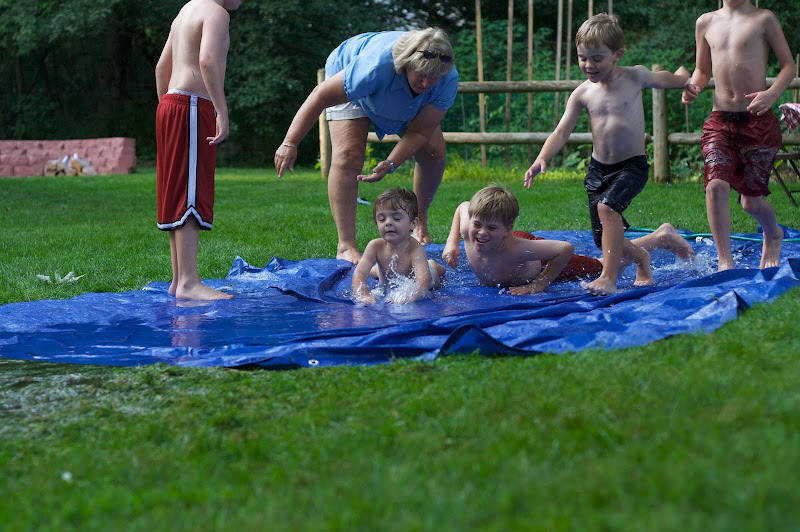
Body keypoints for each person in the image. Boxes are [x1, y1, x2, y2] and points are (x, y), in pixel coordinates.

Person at [523, 13, 691, 296]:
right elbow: (561, 131)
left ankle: (608, 278)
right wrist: (543, 157)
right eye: (582, 58)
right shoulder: (582, 93)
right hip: (598, 171)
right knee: (605, 241)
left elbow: (665, 79)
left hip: (631, 167)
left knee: (607, 209)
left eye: (597, 58)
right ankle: (652, 247)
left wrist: (684, 78)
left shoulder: (634, 77)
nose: (589, 65)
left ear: (617, 55)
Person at [274, 28, 459, 264]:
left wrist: (390, 163)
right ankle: (346, 246)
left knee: (434, 153)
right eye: (421, 74)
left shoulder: (446, 78)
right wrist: (290, 143)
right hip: (352, 69)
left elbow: (420, 132)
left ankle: (418, 222)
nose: (426, 82)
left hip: (396, 92)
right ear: (406, 64)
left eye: (433, 77)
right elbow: (319, 96)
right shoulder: (375, 66)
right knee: (348, 155)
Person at [682, 0, 795, 271]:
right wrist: (693, 87)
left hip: (757, 122)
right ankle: (725, 260)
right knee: (715, 185)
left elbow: (789, 66)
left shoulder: (764, 19)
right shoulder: (705, 22)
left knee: (751, 203)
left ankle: (773, 233)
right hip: (719, 121)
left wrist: (771, 94)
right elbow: (702, 70)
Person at [443, 186, 695, 296]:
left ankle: (661, 237)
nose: (481, 233)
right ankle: (659, 236)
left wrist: (540, 284)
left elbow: (565, 248)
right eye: (477, 225)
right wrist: (451, 243)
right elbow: (462, 206)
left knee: (601, 266)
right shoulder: (469, 226)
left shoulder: (518, 249)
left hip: (538, 261)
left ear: (508, 229)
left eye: (491, 228)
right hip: (515, 250)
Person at [154, 0, 242, 300]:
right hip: (191, 106)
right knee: (191, 191)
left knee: (177, 189)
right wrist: (221, 111)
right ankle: (189, 283)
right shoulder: (216, 12)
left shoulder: (185, 12)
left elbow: (161, 69)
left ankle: (179, 280)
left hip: (171, 104)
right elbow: (207, 60)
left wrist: (166, 108)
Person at [352, 188, 445, 304]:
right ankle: (377, 270)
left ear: (413, 223)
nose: (388, 223)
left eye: (396, 218)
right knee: (375, 271)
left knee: (433, 275)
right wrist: (363, 294)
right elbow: (360, 273)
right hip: (384, 275)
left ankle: (433, 265)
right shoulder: (375, 246)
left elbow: (423, 281)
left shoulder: (415, 248)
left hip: (426, 274)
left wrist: (407, 296)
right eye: (382, 219)